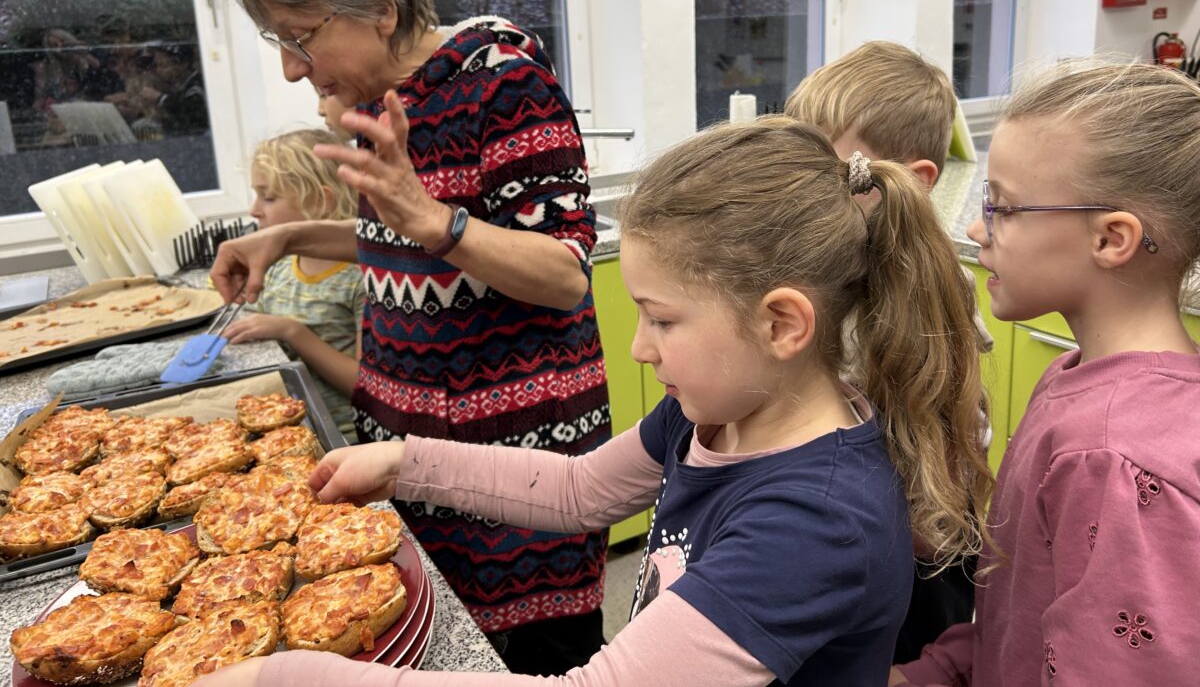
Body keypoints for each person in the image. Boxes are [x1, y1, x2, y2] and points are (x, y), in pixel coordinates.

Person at [198, 116, 993, 687]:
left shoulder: (817, 521)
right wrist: (407, 463)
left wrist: (292, 676)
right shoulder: (712, 412)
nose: (640, 348)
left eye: (663, 318)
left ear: (783, 322)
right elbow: (580, 491)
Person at [210, 0, 610, 674]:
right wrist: (287, 234)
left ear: (381, 9)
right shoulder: (386, 105)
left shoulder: (502, 81)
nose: (293, 67)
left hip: (514, 481)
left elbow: (562, 274)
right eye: (279, 41)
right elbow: (400, 240)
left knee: (520, 665)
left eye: (300, 37)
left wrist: (436, 222)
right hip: (409, 457)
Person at [893, 59, 1200, 685]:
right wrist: (945, 668)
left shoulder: (1112, 458)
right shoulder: (1072, 377)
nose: (978, 228)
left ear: (1112, 238)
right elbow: (1026, 607)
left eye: (1003, 208)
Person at [785, 40, 991, 662]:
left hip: (920, 557)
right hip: (848, 544)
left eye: (833, 175)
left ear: (914, 180)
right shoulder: (822, 272)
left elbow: (957, 434)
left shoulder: (934, 288)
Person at [222, 128, 364, 439]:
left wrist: (292, 332)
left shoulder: (359, 279)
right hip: (286, 429)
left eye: (269, 196)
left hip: (339, 437)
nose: (254, 209)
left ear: (321, 201)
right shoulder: (278, 269)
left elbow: (363, 385)